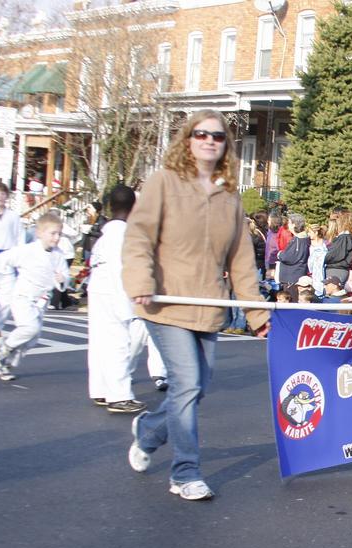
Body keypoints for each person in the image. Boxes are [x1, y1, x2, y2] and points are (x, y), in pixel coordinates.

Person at [121, 110, 270, 501]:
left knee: (196, 389)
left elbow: (241, 262)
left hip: (207, 307)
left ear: (225, 145)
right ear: (188, 139)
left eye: (217, 136)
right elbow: (138, 237)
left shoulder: (229, 197)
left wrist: (256, 315)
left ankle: (149, 432)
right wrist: (140, 281)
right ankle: (185, 471)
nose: (209, 141)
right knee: (186, 383)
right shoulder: (164, 183)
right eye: (201, 134)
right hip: (165, 304)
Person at [87, 184, 148, 413]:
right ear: (133, 207)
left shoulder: (104, 236)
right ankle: (119, 395)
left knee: (100, 344)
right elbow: (121, 270)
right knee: (118, 345)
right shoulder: (124, 236)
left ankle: (101, 389)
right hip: (115, 292)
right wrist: (128, 307)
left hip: (98, 291)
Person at [0, 212, 69, 381]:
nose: (56, 238)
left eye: (59, 234)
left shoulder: (58, 255)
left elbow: (65, 275)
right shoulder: (27, 251)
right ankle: (4, 348)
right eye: (52, 233)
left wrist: (62, 280)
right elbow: (3, 259)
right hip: (22, 297)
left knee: (33, 338)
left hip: (41, 301)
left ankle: (6, 362)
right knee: (29, 328)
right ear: (39, 233)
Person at [0, 181, 25, 348]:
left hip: (9, 260)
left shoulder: (13, 216)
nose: (0, 197)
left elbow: (20, 238)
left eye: (2, 193)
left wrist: (19, 259)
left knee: (7, 302)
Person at [276, 213, 310, 288]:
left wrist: (280, 254)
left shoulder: (299, 239)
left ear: (294, 224)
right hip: (293, 276)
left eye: (289, 223)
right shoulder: (301, 238)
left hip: (292, 278)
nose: (288, 225)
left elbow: (289, 257)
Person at [324, 211, 352, 286]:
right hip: (337, 269)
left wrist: (322, 257)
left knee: (333, 293)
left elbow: (335, 255)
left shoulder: (344, 238)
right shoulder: (343, 238)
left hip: (337, 270)